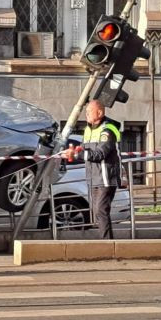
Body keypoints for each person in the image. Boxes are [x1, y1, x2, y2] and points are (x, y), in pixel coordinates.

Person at [61, 100, 122, 240]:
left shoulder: (108, 130)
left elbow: (100, 154)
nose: (86, 114)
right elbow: (83, 149)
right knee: (97, 212)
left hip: (106, 177)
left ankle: (107, 245)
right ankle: (106, 242)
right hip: (93, 177)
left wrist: (77, 154)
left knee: (101, 210)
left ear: (99, 113)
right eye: (86, 111)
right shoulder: (89, 129)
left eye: (89, 111)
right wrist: (72, 152)